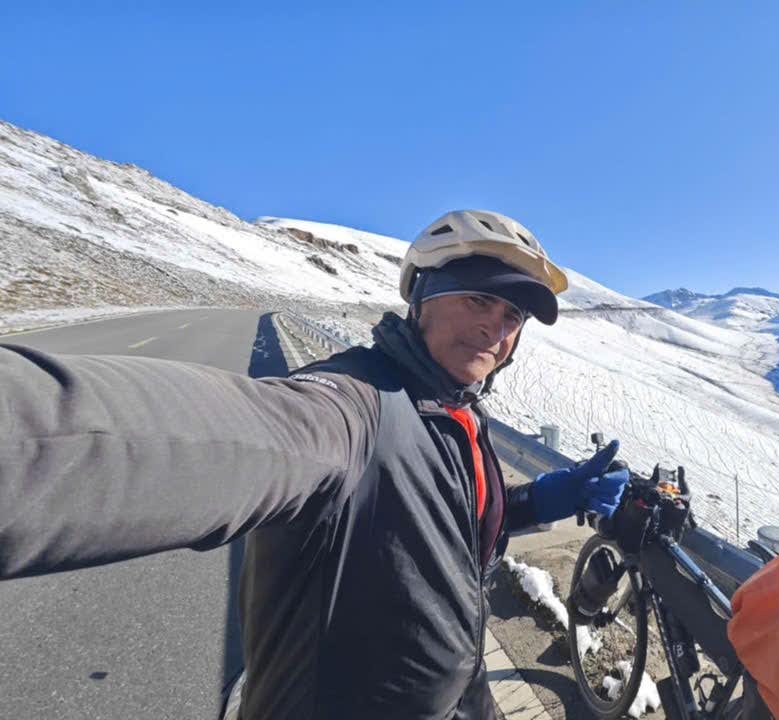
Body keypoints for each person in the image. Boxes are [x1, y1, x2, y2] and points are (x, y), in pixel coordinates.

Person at [0, 209, 629, 719]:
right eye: (477, 302)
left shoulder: (454, 409)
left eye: (512, 316)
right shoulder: (352, 404)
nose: (495, 328)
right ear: (424, 302)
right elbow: (208, 437)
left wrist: (544, 500)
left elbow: (432, 519)